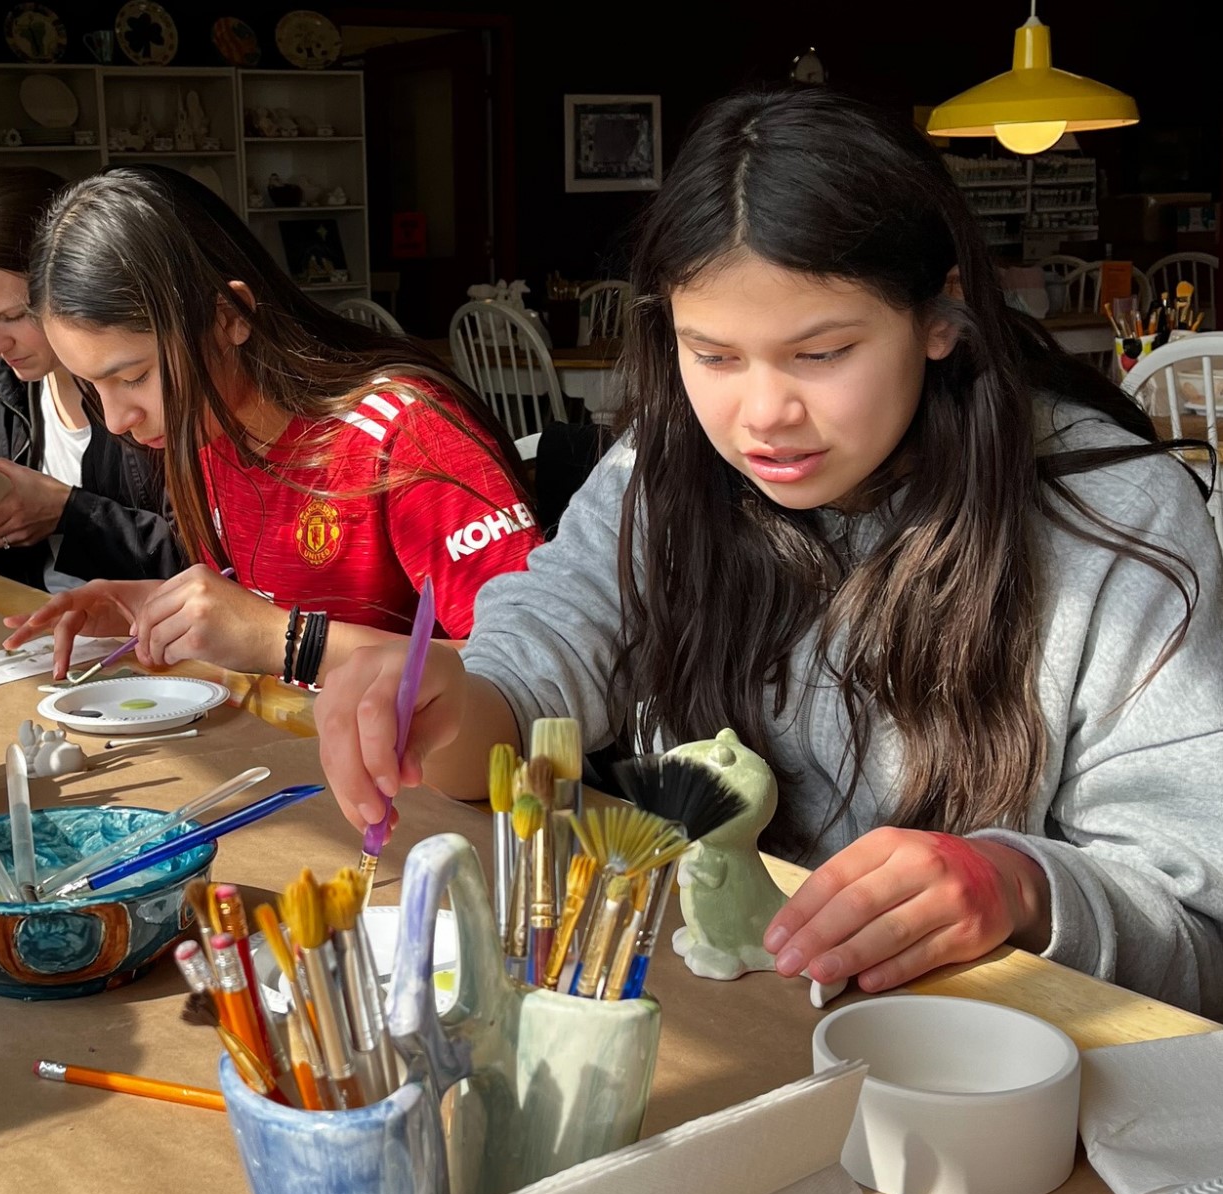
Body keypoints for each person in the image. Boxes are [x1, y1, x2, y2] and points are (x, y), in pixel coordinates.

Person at [314, 88, 1223, 1020]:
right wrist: (443, 703)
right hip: (732, 1034)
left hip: (986, 1075)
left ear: (939, 317)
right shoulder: (660, 473)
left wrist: (1017, 884)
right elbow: (524, 690)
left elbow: (1199, 934)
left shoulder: (1111, 516)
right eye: (711, 355)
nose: (760, 418)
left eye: (821, 353)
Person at [1, 166, 538, 682]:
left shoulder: (405, 435)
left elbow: (527, 663)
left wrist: (285, 641)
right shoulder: (213, 433)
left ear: (229, 317)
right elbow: (257, 610)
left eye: (135, 376)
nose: (117, 420)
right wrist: (149, 605)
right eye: (92, 387)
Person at [0, 167, 183, 591]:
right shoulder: (4, 377)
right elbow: (12, 574)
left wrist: (68, 511)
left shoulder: (145, 384)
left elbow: (201, 567)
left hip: (139, 639)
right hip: (42, 631)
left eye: (12, 316)